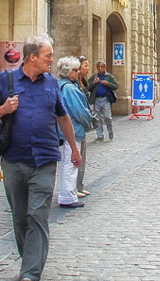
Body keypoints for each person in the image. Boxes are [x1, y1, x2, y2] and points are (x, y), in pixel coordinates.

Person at [0, 35, 81, 281]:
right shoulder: (6, 80)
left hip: (45, 159)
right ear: (32, 57)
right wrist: (4, 109)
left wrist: (74, 149)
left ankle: (30, 273)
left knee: (37, 215)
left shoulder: (52, 84)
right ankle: (30, 258)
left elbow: (63, 117)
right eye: (48, 55)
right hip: (14, 160)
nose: (52, 59)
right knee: (20, 216)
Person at [56, 56, 94, 208]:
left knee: (70, 162)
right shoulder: (70, 88)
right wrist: (89, 122)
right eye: (75, 70)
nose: (78, 73)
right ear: (67, 71)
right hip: (73, 129)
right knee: (72, 162)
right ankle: (67, 195)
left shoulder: (64, 86)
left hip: (68, 129)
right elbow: (79, 111)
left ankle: (68, 193)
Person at [87, 61, 118, 142]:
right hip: (96, 99)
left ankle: (110, 131)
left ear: (105, 67)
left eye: (102, 66)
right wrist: (94, 83)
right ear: (97, 68)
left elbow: (115, 86)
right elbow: (88, 87)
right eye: (98, 67)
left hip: (106, 99)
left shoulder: (109, 76)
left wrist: (108, 84)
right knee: (98, 118)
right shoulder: (94, 77)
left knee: (107, 117)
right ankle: (100, 135)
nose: (100, 68)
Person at [75, 57, 92, 198]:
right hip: (77, 126)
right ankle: (74, 188)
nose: (88, 68)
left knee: (82, 157)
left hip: (83, 125)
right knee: (76, 157)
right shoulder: (73, 85)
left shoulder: (84, 82)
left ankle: (79, 185)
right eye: (85, 66)